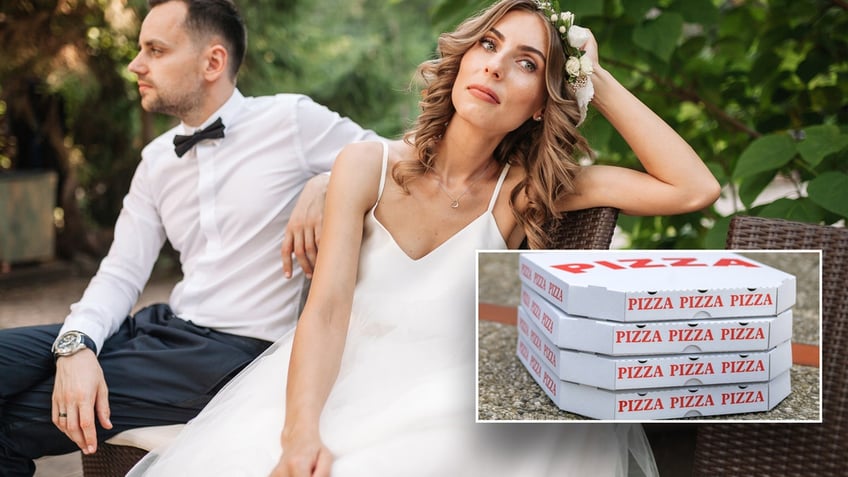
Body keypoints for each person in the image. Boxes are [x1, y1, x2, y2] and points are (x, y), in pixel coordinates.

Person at [129, 0, 720, 475]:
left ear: (542, 104)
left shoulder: (523, 192)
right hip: (340, 383)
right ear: (462, 61)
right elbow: (328, 311)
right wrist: (301, 432)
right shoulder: (366, 165)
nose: (494, 64)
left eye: (526, 63)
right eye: (488, 45)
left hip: (454, 397)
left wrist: (596, 76)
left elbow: (694, 188)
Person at [0, 0, 378, 474]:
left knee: (12, 420)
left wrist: (329, 180)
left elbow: (394, 160)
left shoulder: (291, 121)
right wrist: (77, 345)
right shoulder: (157, 159)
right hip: (160, 326)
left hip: (233, 352)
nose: (136, 64)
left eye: (155, 50)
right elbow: (120, 272)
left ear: (213, 62)